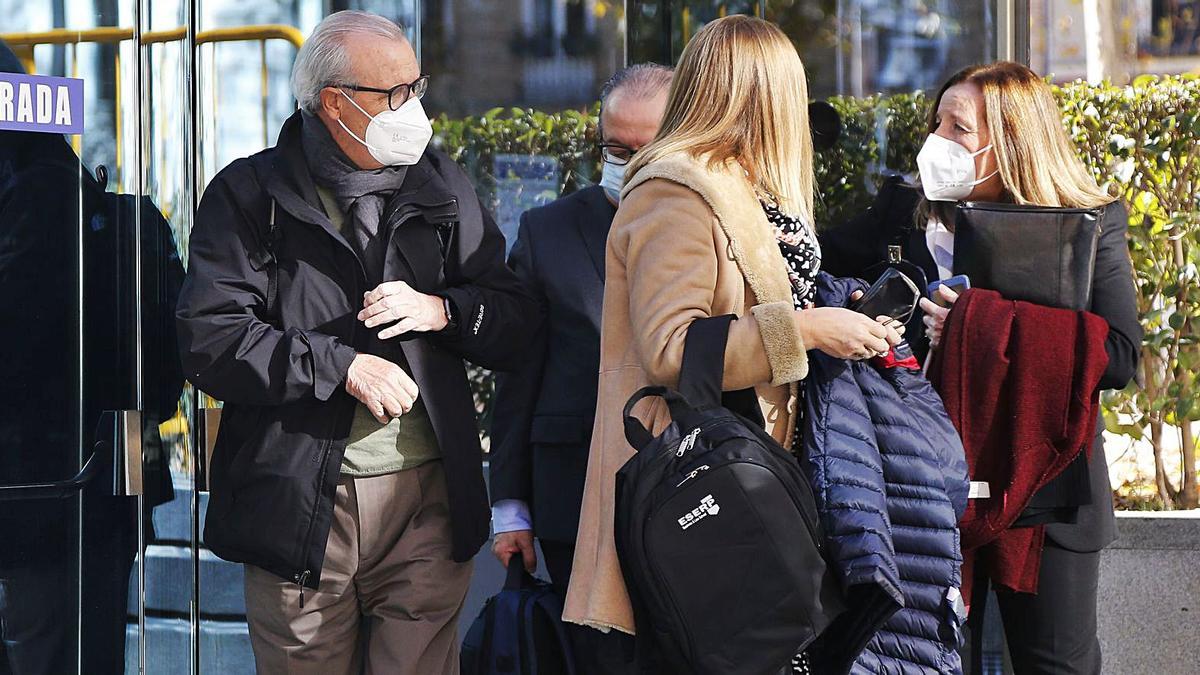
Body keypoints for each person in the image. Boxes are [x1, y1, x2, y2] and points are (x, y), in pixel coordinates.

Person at [175, 11, 537, 674]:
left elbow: (515, 320)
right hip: (299, 508)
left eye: (417, 87)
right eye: (396, 94)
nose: (414, 108)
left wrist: (442, 310)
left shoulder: (439, 183)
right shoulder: (252, 196)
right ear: (336, 106)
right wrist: (342, 366)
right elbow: (212, 338)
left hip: (426, 500)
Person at [562, 14, 903, 653]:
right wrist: (806, 329)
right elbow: (671, 348)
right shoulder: (678, 189)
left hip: (748, 475)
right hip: (698, 487)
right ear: (764, 95)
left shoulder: (737, 182)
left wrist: (835, 309)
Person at [822, 61, 1141, 674]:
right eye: (936, 120)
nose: (936, 140)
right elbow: (821, 262)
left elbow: (1120, 355)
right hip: (923, 482)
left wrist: (980, 326)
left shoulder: (1088, 223)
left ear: (1010, 140)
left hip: (1047, 483)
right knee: (930, 660)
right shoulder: (903, 212)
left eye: (957, 127)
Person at [488, 63, 672, 674]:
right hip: (574, 498)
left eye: (645, 149)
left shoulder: (717, 223)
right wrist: (511, 507)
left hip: (691, 494)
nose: (626, 162)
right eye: (613, 148)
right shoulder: (549, 231)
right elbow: (519, 373)